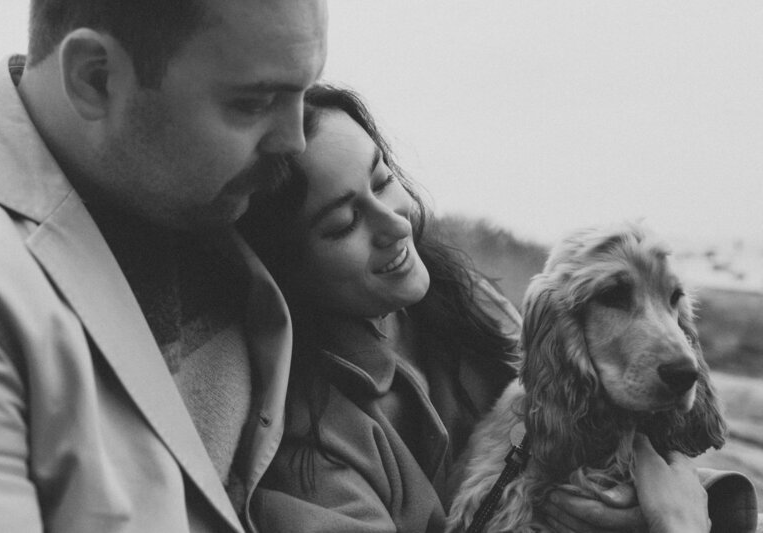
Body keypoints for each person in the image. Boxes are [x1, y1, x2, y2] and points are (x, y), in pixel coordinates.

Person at [238, 85, 758, 533]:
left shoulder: (465, 302)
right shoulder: (313, 456)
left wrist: (664, 499)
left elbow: (598, 435)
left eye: (380, 181)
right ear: (287, 266)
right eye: (342, 223)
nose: (395, 224)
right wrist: (677, 525)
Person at [0, 1, 326, 532]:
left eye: (304, 92)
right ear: (96, 77)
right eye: (253, 103)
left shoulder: (195, 200)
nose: (294, 141)